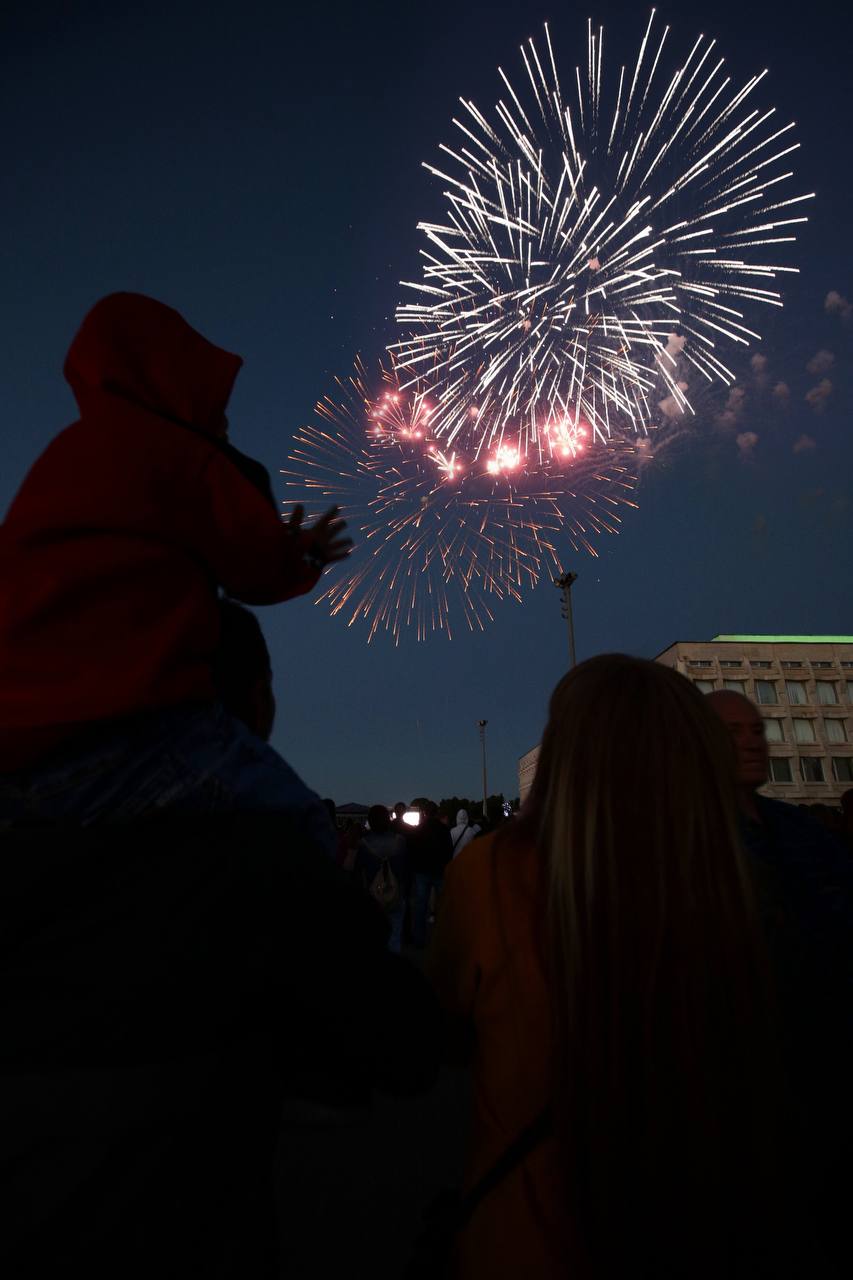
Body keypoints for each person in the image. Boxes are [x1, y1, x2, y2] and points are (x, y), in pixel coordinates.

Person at [427, 655, 833, 1280]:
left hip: (522, 1241)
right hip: (707, 1233)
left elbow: (448, 1013)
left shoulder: (487, 875)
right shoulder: (733, 874)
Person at [0, 293, 349, 846]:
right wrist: (302, 552)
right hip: (127, 721)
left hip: (15, 738)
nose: (226, 418)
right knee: (298, 827)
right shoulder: (183, 455)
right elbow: (252, 564)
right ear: (174, 378)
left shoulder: (61, 456)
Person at [354, 805, 409, 953]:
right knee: (395, 937)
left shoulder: (364, 844)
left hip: (372, 897)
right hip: (396, 894)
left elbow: (358, 872)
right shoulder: (400, 841)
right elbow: (405, 869)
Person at [410, 800, 453, 948]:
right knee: (442, 906)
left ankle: (419, 938)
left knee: (421, 906)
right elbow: (449, 849)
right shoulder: (443, 829)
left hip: (422, 870)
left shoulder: (418, 829)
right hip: (439, 870)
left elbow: (413, 849)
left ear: (424, 813)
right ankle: (443, 937)